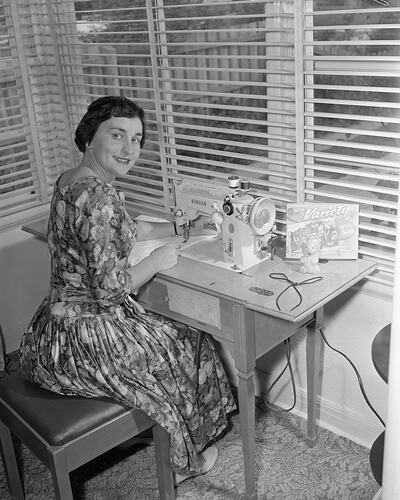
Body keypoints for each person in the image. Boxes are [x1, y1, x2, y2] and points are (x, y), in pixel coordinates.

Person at [19, 95, 236, 483]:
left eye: (136, 139)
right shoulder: (98, 196)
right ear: (89, 137)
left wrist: (186, 229)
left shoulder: (74, 179)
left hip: (52, 331)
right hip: (88, 337)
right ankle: (186, 462)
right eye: (117, 135)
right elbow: (109, 292)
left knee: (177, 334)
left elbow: (130, 228)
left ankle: (172, 438)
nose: (129, 149)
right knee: (188, 338)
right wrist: (157, 261)